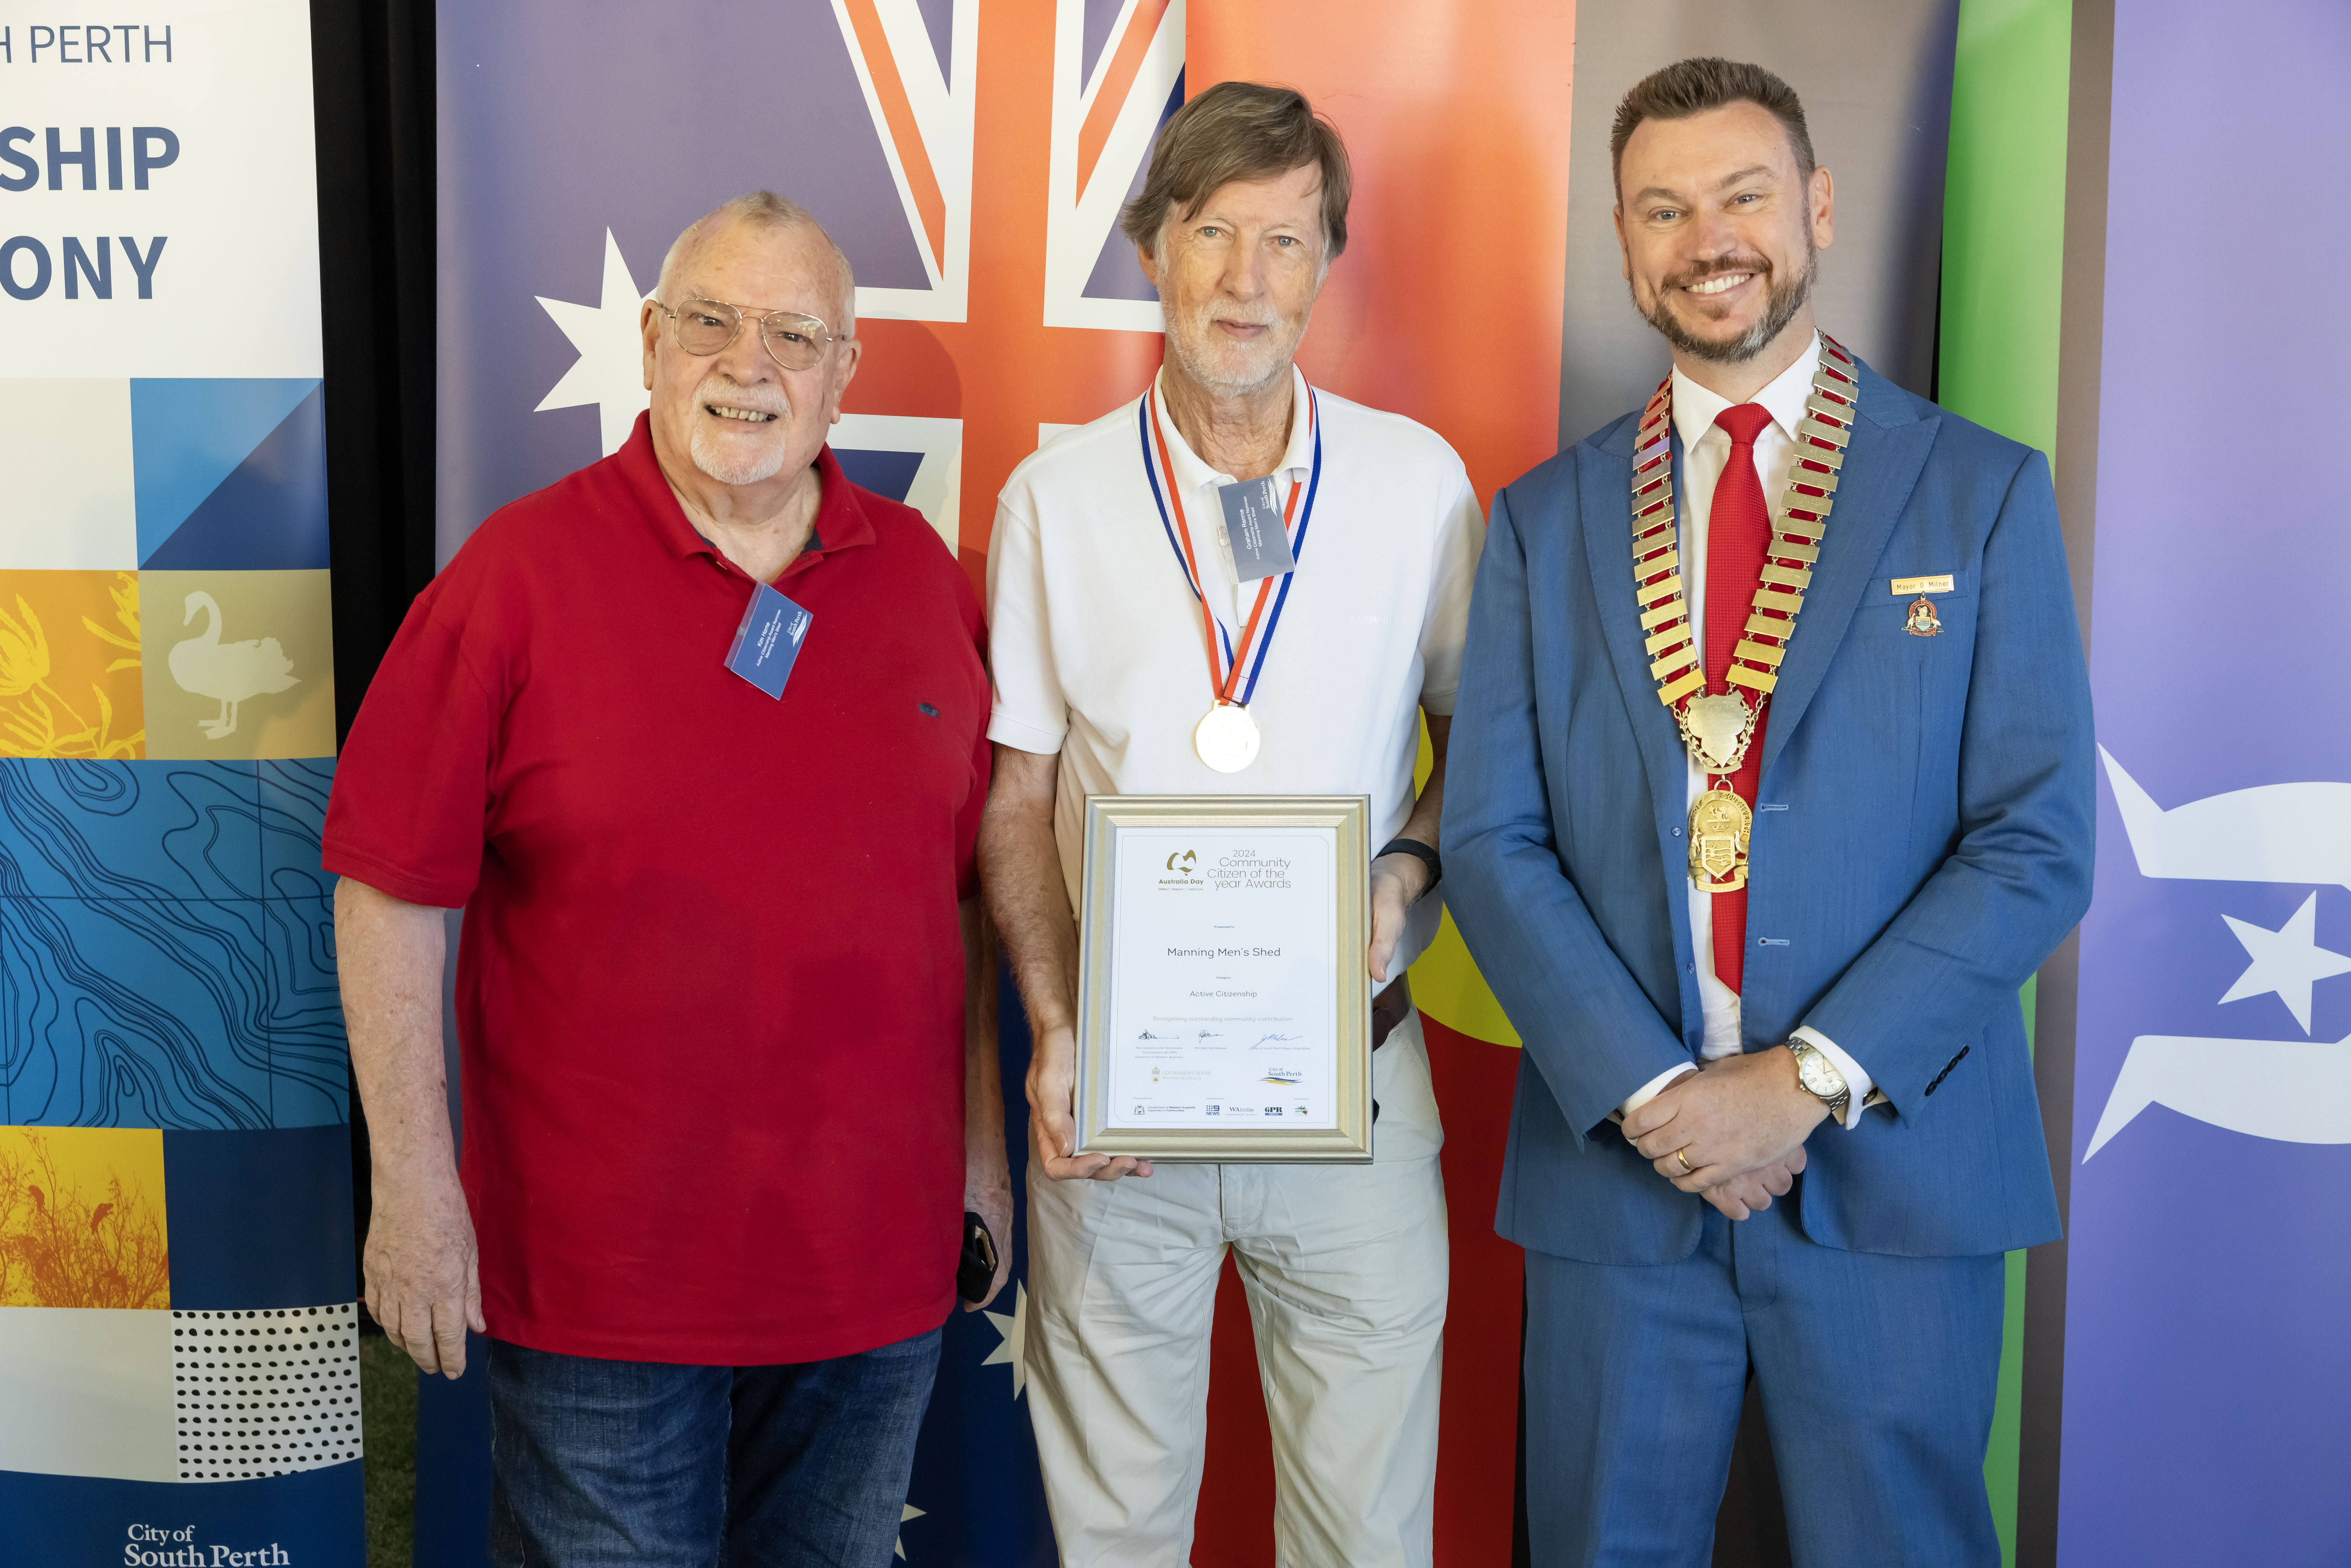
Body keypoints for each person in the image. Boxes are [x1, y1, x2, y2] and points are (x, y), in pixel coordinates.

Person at [1443, 59, 2092, 1565]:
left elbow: (2033, 838)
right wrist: (1663, 1098)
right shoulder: (1543, 518)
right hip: (1624, 1174)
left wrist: (1801, 1078)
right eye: (1660, 210)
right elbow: (1488, 835)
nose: (1704, 238)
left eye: (1739, 195)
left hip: (1889, 1169)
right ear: (1621, 246)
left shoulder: (1977, 494)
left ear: (1812, 205)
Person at [324, 190, 1009, 1568]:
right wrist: (411, 1185)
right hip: (600, 1291)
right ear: (650, 340)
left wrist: (982, 1157)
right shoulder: (512, 579)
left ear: (845, 371)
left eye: (793, 335)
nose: (747, 366)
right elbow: (391, 889)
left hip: (869, 1281)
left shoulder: (929, 582)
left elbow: (964, 907)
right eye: (710, 321)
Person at [980, 81, 1484, 1568]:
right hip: (1116, 1115)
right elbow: (1016, 797)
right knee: (1115, 1535)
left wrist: (1404, 872)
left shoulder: (1416, 487)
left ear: (1327, 261)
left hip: (1358, 1092)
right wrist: (1057, 1026)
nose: (1246, 280)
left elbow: (1484, 756)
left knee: (1364, 1538)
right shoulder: (1054, 500)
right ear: (1152, 246)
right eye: (1213, 234)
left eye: (1285, 240)